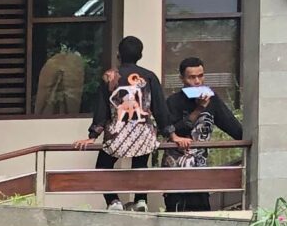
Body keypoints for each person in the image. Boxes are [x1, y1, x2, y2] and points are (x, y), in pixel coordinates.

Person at [82, 36, 168, 208]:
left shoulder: (110, 76)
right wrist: (170, 133)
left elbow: (102, 108)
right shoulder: (150, 77)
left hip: (117, 132)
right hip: (143, 132)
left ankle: (113, 201)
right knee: (140, 166)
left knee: (103, 167)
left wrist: (93, 135)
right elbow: (160, 108)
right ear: (140, 55)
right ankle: (141, 200)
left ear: (118, 54)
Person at [163, 58, 244, 212]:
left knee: (202, 210)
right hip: (176, 170)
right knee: (175, 211)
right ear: (182, 79)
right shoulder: (173, 101)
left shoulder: (212, 100)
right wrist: (199, 109)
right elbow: (172, 131)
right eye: (192, 77)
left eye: (201, 76)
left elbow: (233, 127)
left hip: (200, 168)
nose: (197, 81)